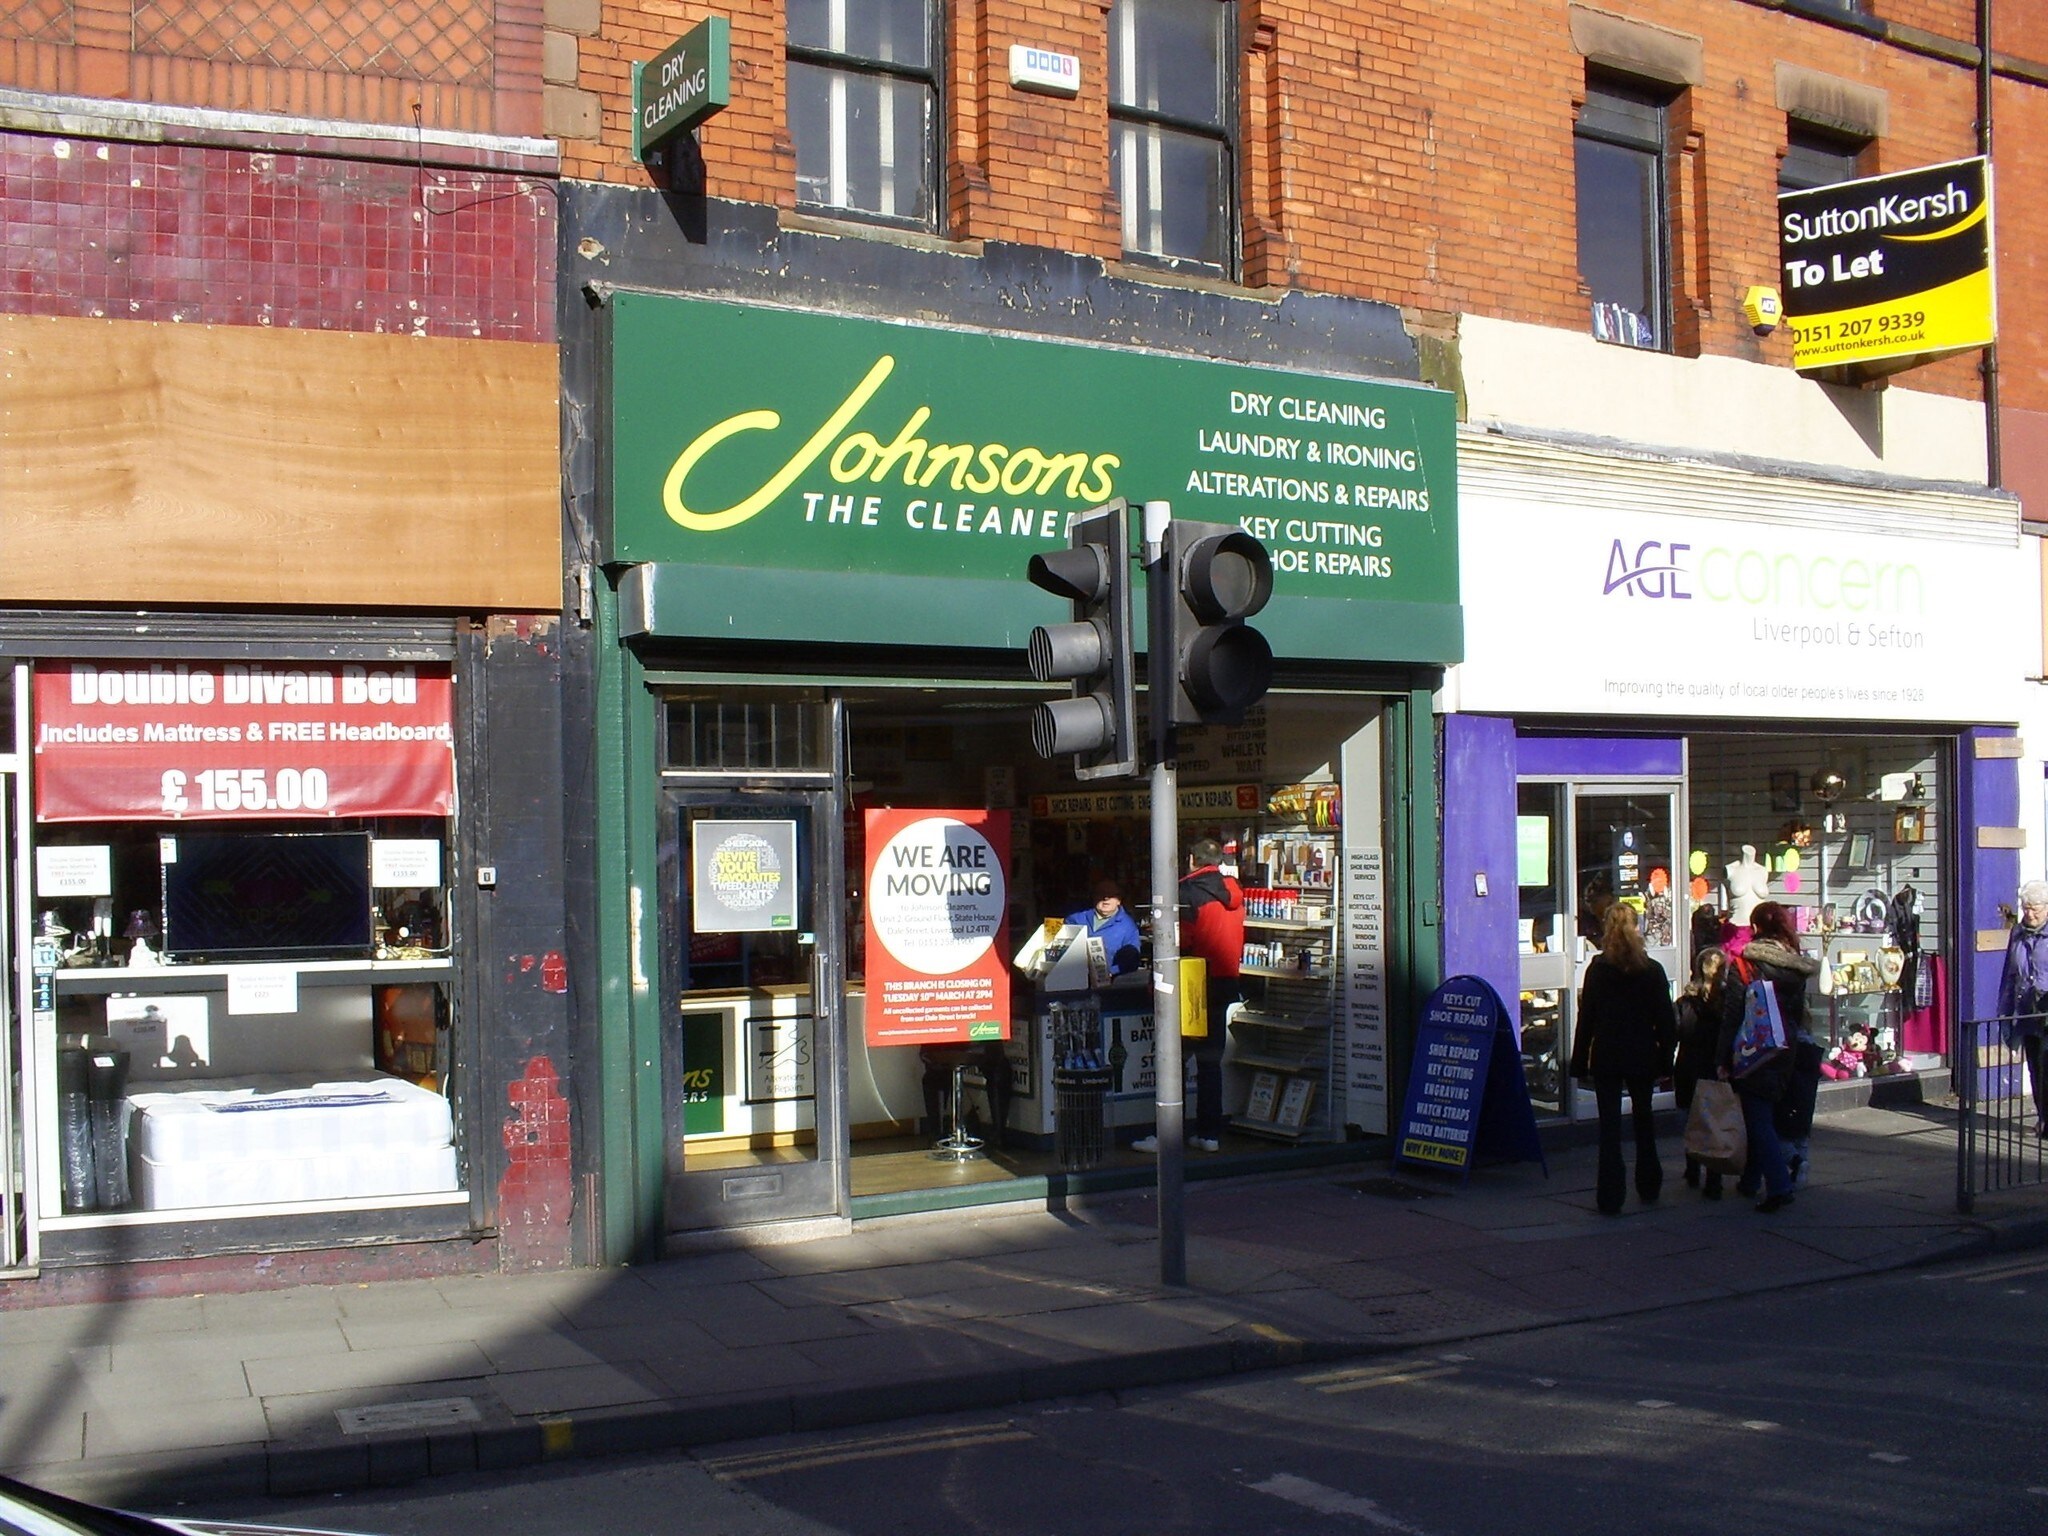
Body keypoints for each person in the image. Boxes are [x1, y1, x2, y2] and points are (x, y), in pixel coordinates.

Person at [1135, 837, 1243, 1155]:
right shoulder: (1234, 893)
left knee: (1174, 1061)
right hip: (1224, 982)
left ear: (1191, 860)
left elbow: (1179, 940)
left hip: (1191, 984)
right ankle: (1209, 1134)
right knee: (1210, 1062)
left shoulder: (1186, 893)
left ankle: (1168, 1137)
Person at [1568, 903, 1677, 1215]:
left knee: (1610, 1127)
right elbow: (1666, 1021)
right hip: (1642, 1052)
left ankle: (1611, 1195)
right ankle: (1649, 1182)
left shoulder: (1599, 970)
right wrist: (1665, 1058)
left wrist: (1579, 1060)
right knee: (1645, 1120)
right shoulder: (1652, 969)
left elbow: (1587, 1018)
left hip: (1608, 1053)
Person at [1718, 899, 1818, 1212]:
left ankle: (1778, 1185)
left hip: (1753, 1047)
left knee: (1758, 1119)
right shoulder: (1795, 965)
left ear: (1757, 928)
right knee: (1763, 1114)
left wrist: (1722, 1057)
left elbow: (1732, 1013)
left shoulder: (1746, 963)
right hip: (1785, 1047)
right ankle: (1750, 1181)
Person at [1995, 879, 2048, 1138]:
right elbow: (2009, 973)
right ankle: (2043, 1119)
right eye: (2026, 908)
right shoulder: (2017, 932)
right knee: (2036, 1067)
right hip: (2027, 1009)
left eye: (2036, 908)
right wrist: (2004, 1010)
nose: (2030, 914)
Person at [1674, 945, 1728, 1200]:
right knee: (1714, 1123)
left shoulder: (1684, 1004)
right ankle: (1713, 1179)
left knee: (1690, 1120)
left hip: (1688, 1067)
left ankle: (1692, 1167)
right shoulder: (1727, 1005)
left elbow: (1674, 1033)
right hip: (1716, 1069)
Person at [1066, 879, 1143, 977]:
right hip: (1074, 979)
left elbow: (1132, 961)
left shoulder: (1128, 927)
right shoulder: (1076, 918)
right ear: (1094, 897)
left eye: (1111, 895)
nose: (1106, 898)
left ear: (1119, 900)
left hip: (1109, 985)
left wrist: (1110, 972)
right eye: (1101, 893)